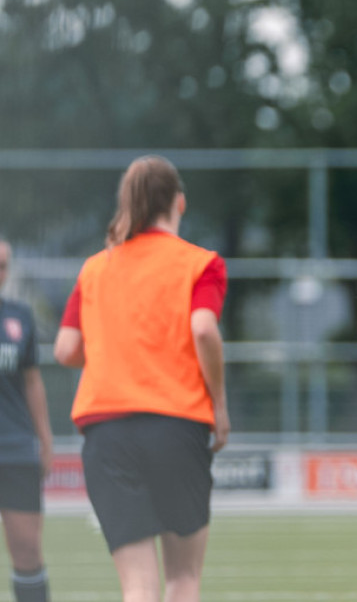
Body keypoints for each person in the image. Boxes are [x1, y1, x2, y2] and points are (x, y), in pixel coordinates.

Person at [53, 156, 230, 602]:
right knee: (183, 578)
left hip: (105, 432)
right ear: (179, 203)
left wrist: (118, 350)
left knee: (137, 587)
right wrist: (220, 406)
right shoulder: (200, 263)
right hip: (175, 424)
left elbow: (66, 349)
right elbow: (204, 328)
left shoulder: (95, 268)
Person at [0, 239, 54, 602]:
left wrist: (45, 442)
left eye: (4, 265)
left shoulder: (19, 316)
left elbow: (33, 383)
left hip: (15, 451)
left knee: (27, 551)